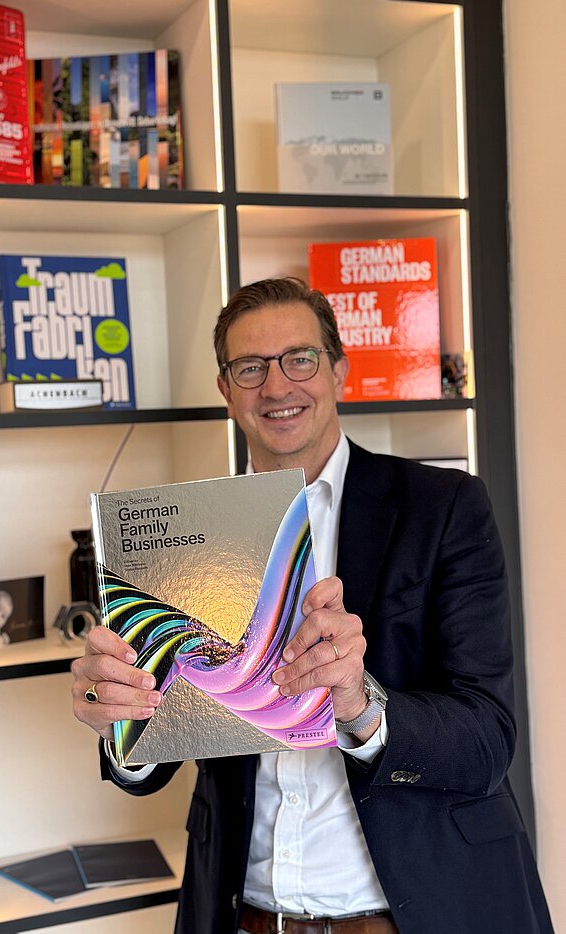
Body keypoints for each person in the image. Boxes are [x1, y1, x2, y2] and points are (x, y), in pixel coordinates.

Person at [72, 278, 553, 934]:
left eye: (299, 359)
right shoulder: (184, 535)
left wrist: (359, 705)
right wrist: (121, 720)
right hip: (243, 917)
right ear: (225, 388)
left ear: (338, 371)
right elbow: (162, 744)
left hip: (420, 915)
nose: (276, 387)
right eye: (250, 368)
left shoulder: (444, 508)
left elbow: (488, 739)